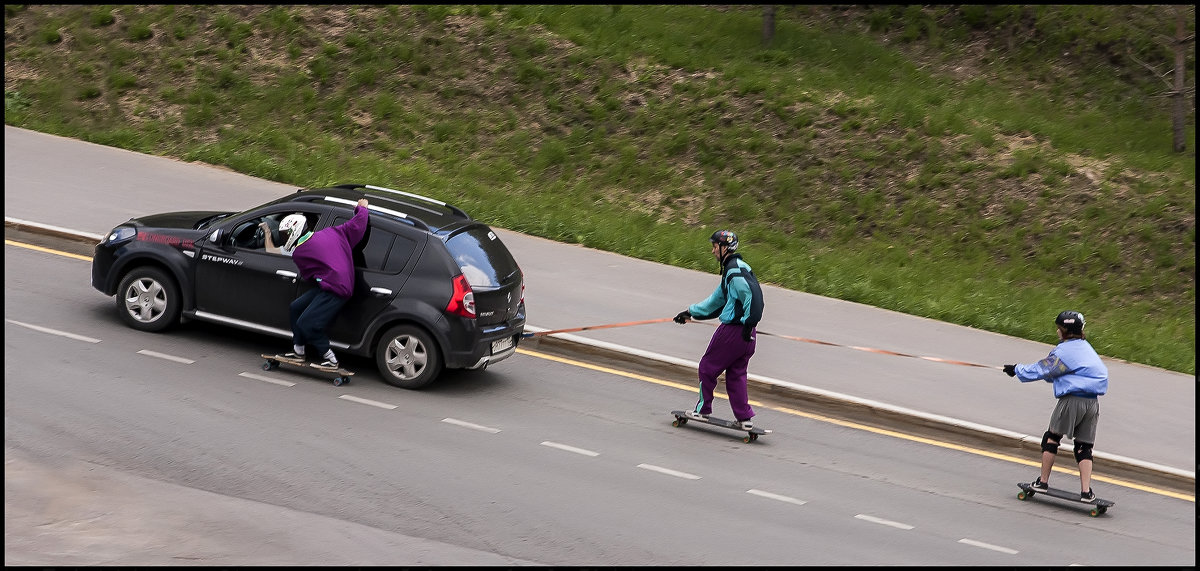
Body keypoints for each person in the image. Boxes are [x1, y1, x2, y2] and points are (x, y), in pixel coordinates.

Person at [1003, 310, 1109, 503]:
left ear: (1064, 331)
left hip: (1072, 400)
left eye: (1059, 329)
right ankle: (1086, 492)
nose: (1057, 332)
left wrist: (1016, 369)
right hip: (1092, 402)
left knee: (1051, 438)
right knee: (1084, 446)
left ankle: (1042, 483)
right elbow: (1056, 373)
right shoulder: (1086, 348)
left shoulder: (1064, 351)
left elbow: (1043, 369)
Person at [673, 230, 765, 430]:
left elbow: (753, 295)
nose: (713, 251)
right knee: (736, 374)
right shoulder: (738, 268)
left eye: (715, 247)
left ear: (725, 249)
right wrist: (690, 312)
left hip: (733, 332)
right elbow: (718, 301)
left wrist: (748, 321)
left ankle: (702, 409)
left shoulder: (734, 271)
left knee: (707, 367)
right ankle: (744, 418)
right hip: (748, 336)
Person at [275, 198, 370, 371]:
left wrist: (321, 278)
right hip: (335, 286)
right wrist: (361, 208)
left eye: (285, 235)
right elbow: (357, 225)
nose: (284, 239)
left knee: (307, 323)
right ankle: (298, 351)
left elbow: (309, 276)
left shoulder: (300, 253)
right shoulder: (332, 232)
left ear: (294, 232)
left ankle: (330, 358)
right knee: (296, 307)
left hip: (336, 291)